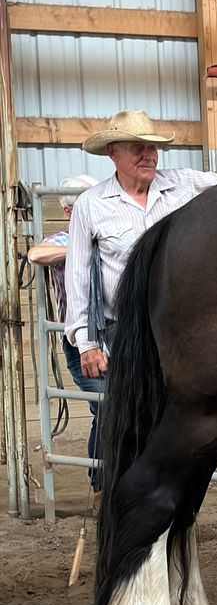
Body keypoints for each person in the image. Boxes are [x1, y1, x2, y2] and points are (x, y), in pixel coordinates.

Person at [65, 109, 217, 381]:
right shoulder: (90, 204)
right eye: (139, 147)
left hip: (179, 330)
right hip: (122, 333)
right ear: (113, 152)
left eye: (153, 147)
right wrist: (87, 344)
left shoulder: (182, 184)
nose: (148, 155)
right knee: (122, 415)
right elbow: (77, 275)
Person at [28, 174, 103, 494]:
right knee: (106, 405)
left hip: (117, 335)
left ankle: (112, 480)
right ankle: (102, 484)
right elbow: (35, 255)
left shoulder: (110, 233)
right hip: (80, 339)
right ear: (71, 212)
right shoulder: (63, 239)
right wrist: (80, 247)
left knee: (124, 406)